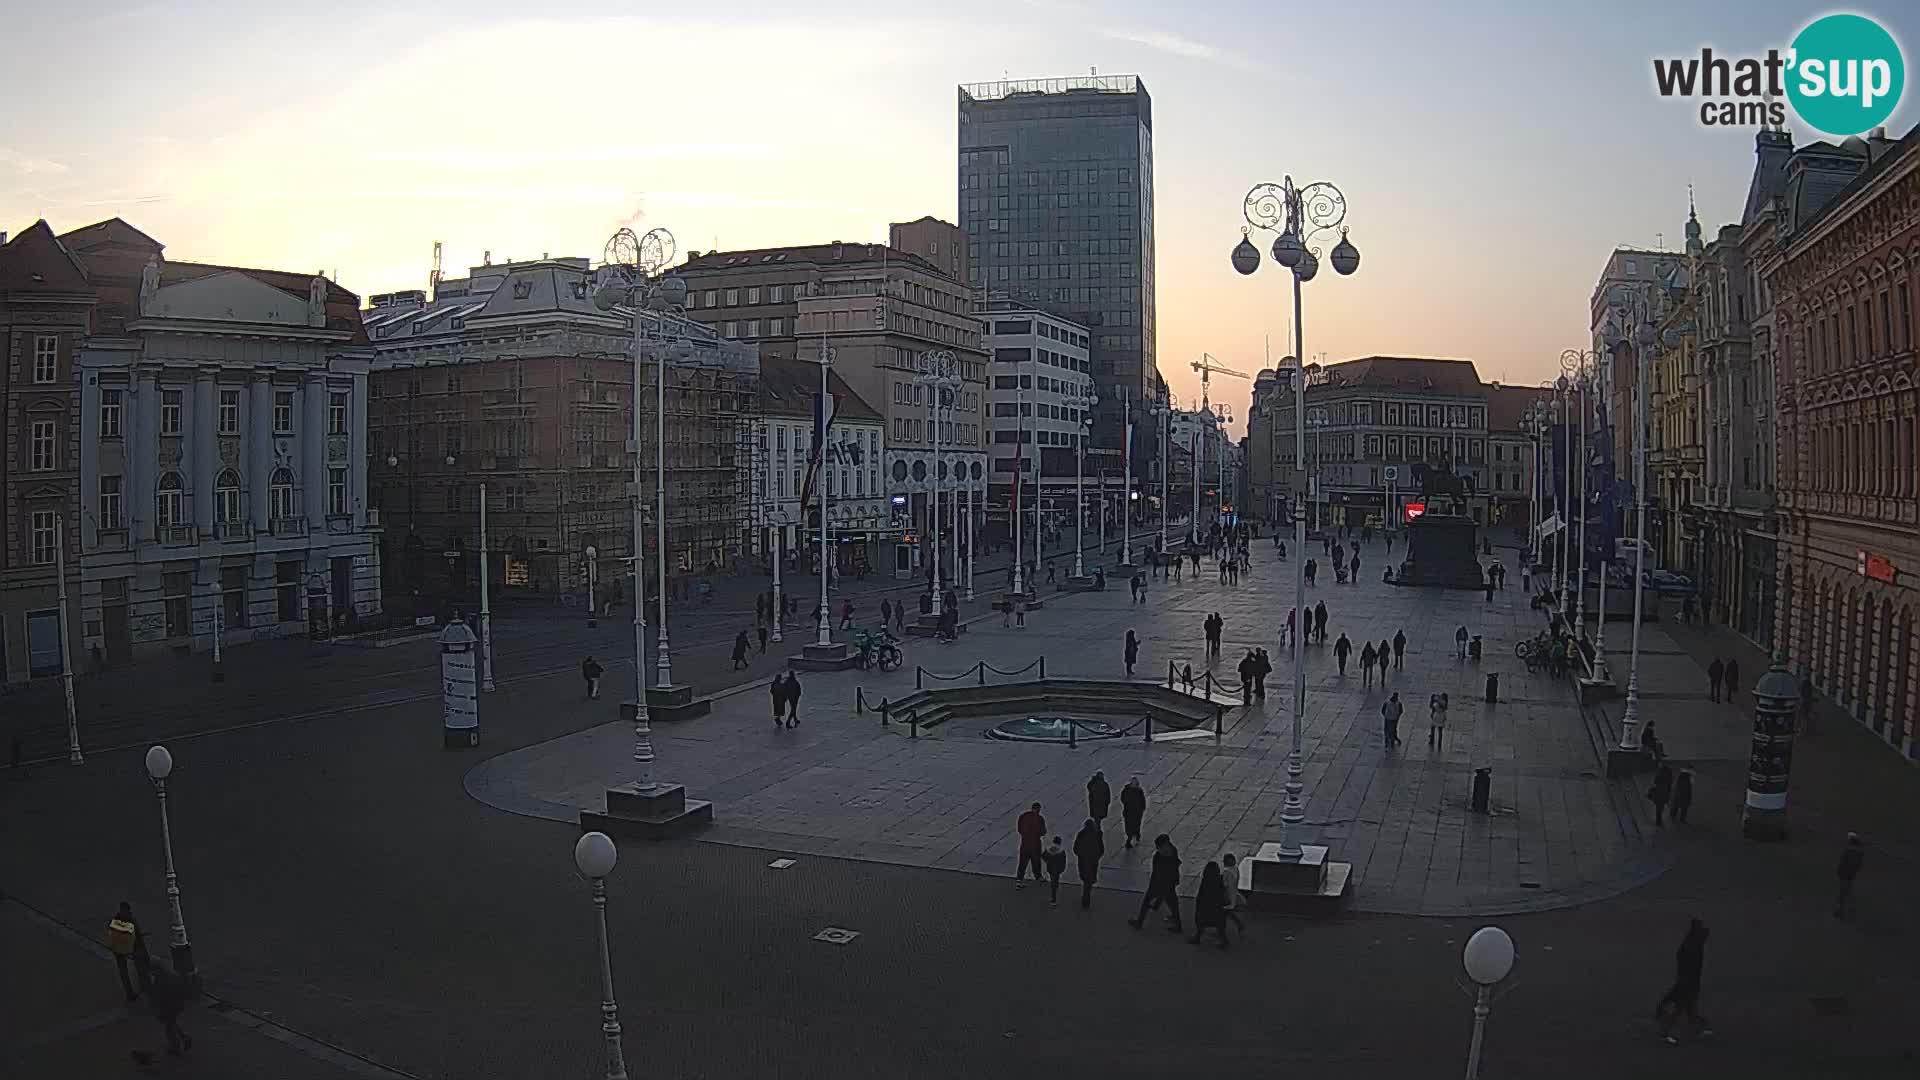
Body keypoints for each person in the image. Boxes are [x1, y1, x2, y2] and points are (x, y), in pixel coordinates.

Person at [1654, 918, 1712, 1045]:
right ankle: (1665, 1032)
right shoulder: (1693, 945)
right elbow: (1688, 965)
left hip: (1688, 981)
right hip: (1688, 982)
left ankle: (1694, 1028)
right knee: (1681, 1007)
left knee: (1687, 1007)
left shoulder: (1691, 944)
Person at [1129, 834, 1184, 933]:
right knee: (1173, 903)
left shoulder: (1158, 857)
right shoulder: (1173, 850)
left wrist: (1152, 886)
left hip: (1158, 884)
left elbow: (1156, 874)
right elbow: (1175, 867)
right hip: (1169, 883)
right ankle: (1177, 924)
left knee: (1147, 901)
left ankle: (1139, 922)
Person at [146, 962, 194, 1057]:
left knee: (169, 1028)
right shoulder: (169, 976)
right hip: (176, 1006)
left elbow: (158, 997)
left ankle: (175, 1047)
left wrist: (157, 1009)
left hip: (168, 1008)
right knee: (173, 1023)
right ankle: (184, 1037)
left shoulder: (159, 981)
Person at [107, 901, 151, 1002]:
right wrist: (146, 957)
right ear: (128, 910)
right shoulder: (131, 920)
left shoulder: (115, 920)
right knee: (140, 965)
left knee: (123, 972)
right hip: (133, 947)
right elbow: (139, 939)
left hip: (118, 950)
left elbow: (111, 936)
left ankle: (129, 993)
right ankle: (145, 986)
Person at [1189, 860, 1231, 948]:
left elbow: (1201, 893)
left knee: (1201, 923)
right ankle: (1224, 941)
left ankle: (1197, 937)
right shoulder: (1219, 879)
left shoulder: (1205, 880)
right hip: (1217, 907)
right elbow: (1223, 892)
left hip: (1205, 906)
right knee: (1220, 925)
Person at [1073, 818, 1105, 909]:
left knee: (1085, 878)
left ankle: (1085, 897)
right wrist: (1097, 857)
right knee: (1089, 880)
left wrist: (1079, 854)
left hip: (1083, 860)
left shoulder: (1081, 834)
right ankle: (1086, 898)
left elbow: (1075, 848)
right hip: (1093, 861)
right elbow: (1101, 849)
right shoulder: (1098, 835)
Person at [1015, 802, 1047, 887]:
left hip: (1025, 844)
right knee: (1036, 862)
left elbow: (1019, 829)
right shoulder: (1040, 819)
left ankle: (1019, 879)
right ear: (1038, 809)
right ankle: (1038, 876)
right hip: (1035, 844)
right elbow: (1043, 832)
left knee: (1022, 863)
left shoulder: (1023, 816)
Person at [1834, 833, 1866, 918]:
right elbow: (1858, 865)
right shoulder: (1859, 853)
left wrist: (1839, 871)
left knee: (1842, 893)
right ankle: (1849, 909)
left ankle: (1840, 910)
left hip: (1845, 874)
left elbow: (1843, 862)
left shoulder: (1848, 851)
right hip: (1850, 875)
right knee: (1848, 891)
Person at [1219, 853, 1247, 936]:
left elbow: (1224, 884)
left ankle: (1222, 930)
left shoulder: (1226, 872)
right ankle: (1239, 925)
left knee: (1225, 911)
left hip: (1227, 895)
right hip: (1234, 893)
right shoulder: (1235, 869)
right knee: (1228, 912)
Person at [1120, 777, 1147, 848]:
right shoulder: (1134, 790)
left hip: (1134, 812)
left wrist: (1142, 808)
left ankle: (1133, 836)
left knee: (1134, 825)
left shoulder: (1131, 790)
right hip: (1131, 812)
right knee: (1131, 825)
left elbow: (1123, 799)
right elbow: (1123, 799)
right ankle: (1131, 838)